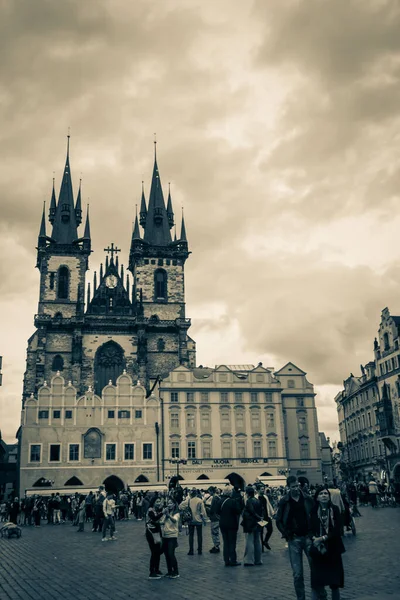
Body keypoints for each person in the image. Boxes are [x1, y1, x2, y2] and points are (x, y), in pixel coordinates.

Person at [276, 475, 327, 600]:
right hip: (294, 539)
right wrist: (287, 534)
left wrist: (314, 533)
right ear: (288, 487)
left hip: (308, 537)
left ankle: (320, 595)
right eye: (293, 487)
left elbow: (315, 515)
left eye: (297, 486)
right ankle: (301, 598)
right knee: (297, 574)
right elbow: (278, 521)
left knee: (315, 568)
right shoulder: (284, 501)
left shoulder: (307, 498)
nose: (296, 489)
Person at [309, 488, 345, 600]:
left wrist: (323, 538)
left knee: (335, 583)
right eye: (321, 493)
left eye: (326, 493)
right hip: (319, 550)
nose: (324, 495)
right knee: (317, 582)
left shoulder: (334, 509)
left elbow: (338, 529)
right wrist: (314, 538)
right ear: (317, 497)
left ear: (329, 497)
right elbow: (309, 528)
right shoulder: (313, 511)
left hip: (333, 549)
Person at [217, 485, 244, 567]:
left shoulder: (220, 501)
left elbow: (217, 512)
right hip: (232, 524)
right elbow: (238, 511)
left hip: (222, 524)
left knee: (226, 542)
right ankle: (233, 560)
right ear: (230, 492)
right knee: (232, 542)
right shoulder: (232, 501)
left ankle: (226, 560)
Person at [179, 487, 207, 555]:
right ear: (196, 493)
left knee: (191, 535)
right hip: (198, 520)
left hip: (191, 520)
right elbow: (203, 512)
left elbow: (180, 506)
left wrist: (185, 509)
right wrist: (204, 520)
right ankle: (199, 550)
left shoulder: (188, 501)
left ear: (191, 494)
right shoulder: (200, 500)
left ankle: (191, 550)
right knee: (199, 535)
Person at [242, 485, 263, 566]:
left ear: (247, 493)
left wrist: (257, 517)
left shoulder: (249, 501)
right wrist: (260, 518)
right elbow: (261, 511)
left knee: (250, 541)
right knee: (257, 541)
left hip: (251, 523)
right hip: (258, 523)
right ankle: (258, 560)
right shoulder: (258, 500)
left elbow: (252, 511)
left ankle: (249, 560)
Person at [160, 498, 180, 579]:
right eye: (168, 503)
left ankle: (176, 571)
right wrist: (163, 514)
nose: (169, 505)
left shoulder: (176, 513)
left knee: (171, 554)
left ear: (174, 504)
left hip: (172, 535)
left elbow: (175, 520)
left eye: (171, 503)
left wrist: (168, 515)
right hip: (165, 536)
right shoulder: (166, 513)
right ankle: (169, 571)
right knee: (166, 554)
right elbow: (162, 522)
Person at [145, 496, 164, 579]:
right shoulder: (150, 510)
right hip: (151, 533)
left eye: (159, 501)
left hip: (156, 533)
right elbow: (154, 519)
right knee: (154, 552)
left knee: (158, 551)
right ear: (153, 502)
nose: (158, 503)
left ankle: (157, 569)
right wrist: (163, 513)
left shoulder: (156, 510)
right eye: (157, 501)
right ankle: (152, 572)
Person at [258, 484, 274, 550]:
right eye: (262, 489)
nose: (263, 490)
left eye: (263, 489)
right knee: (261, 532)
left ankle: (265, 541)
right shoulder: (256, 497)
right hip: (261, 517)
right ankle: (261, 546)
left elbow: (269, 505)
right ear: (258, 490)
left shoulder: (265, 497)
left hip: (267, 516)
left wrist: (272, 512)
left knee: (270, 530)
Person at [208, 487, 222, 554]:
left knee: (214, 532)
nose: (209, 493)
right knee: (215, 532)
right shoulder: (218, 497)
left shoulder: (214, 498)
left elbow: (212, 509)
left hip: (215, 517)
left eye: (209, 492)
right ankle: (216, 545)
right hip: (218, 517)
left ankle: (216, 546)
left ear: (211, 491)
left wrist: (208, 509)